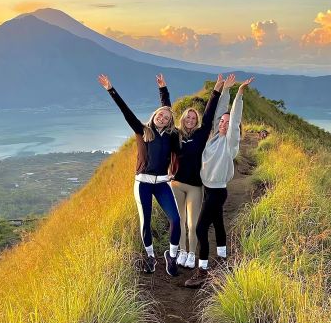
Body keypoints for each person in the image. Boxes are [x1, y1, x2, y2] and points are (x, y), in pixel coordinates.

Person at [97, 74, 181, 276]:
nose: (162, 118)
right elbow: (125, 111)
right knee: (146, 222)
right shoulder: (142, 130)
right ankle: (151, 257)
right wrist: (111, 89)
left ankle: (171, 256)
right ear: (154, 116)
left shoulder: (170, 135)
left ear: (170, 122)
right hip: (142, 183)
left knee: (176, 220)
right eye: (160, 115)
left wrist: (164, 91)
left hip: (162, 184)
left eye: (166, 117)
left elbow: (167, 109)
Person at [156, 73, 236, 269]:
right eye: (188, 117)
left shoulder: (201, 135)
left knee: (193, 224)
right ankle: (182, 251)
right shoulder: (175, 135)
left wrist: (217, 89)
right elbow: (167, 113)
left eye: (194, 117)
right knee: (179, 221)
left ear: (196, 120)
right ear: (183, 119)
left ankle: (192, 254)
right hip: (175, 183)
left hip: (195, 187)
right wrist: (163, 90)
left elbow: (209, 114)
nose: (191, 120)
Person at [185, 76, 254, 288]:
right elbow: (218, 114)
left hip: (217, 192)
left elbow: (233, 120)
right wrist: (225, 90)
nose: (224, 124)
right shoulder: (213, 137)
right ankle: (223, 258)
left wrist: (239, 94)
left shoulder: (230, 144)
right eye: (221, 122)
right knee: (217, 223)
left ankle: (203, 269)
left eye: (227, 123)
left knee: (200, 229)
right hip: (208, 190)